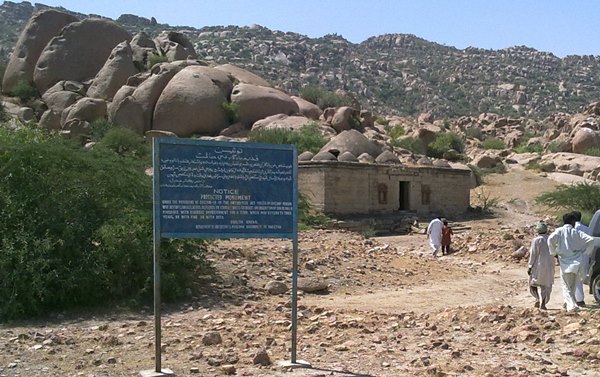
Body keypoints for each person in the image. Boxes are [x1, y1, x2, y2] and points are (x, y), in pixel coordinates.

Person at [548, 212, 597, 312]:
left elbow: (550, 239)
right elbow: (590, 240)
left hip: (565, 262)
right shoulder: (575, 232)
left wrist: (554, 252)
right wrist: (586, 252)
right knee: (573, 285)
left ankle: (571, 306)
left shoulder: (559, 231)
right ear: (572, 221)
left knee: (566, 286)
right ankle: (572, 304)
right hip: (577, 262)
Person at [527, 221, 554, 310]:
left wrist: (530, 266)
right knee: (546, 285)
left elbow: (533, 254)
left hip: (538, 265)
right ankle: (543, 303)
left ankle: (537, 298)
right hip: (550, 265)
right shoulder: (551, 239)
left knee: (532, 284)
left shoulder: (536, 240)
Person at [573, 211, 591, 307]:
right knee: (581, 277)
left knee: (575, 279)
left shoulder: (574, 228)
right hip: (585, 255)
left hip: (576, 255)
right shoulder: (587, 228)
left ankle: (579, 300)